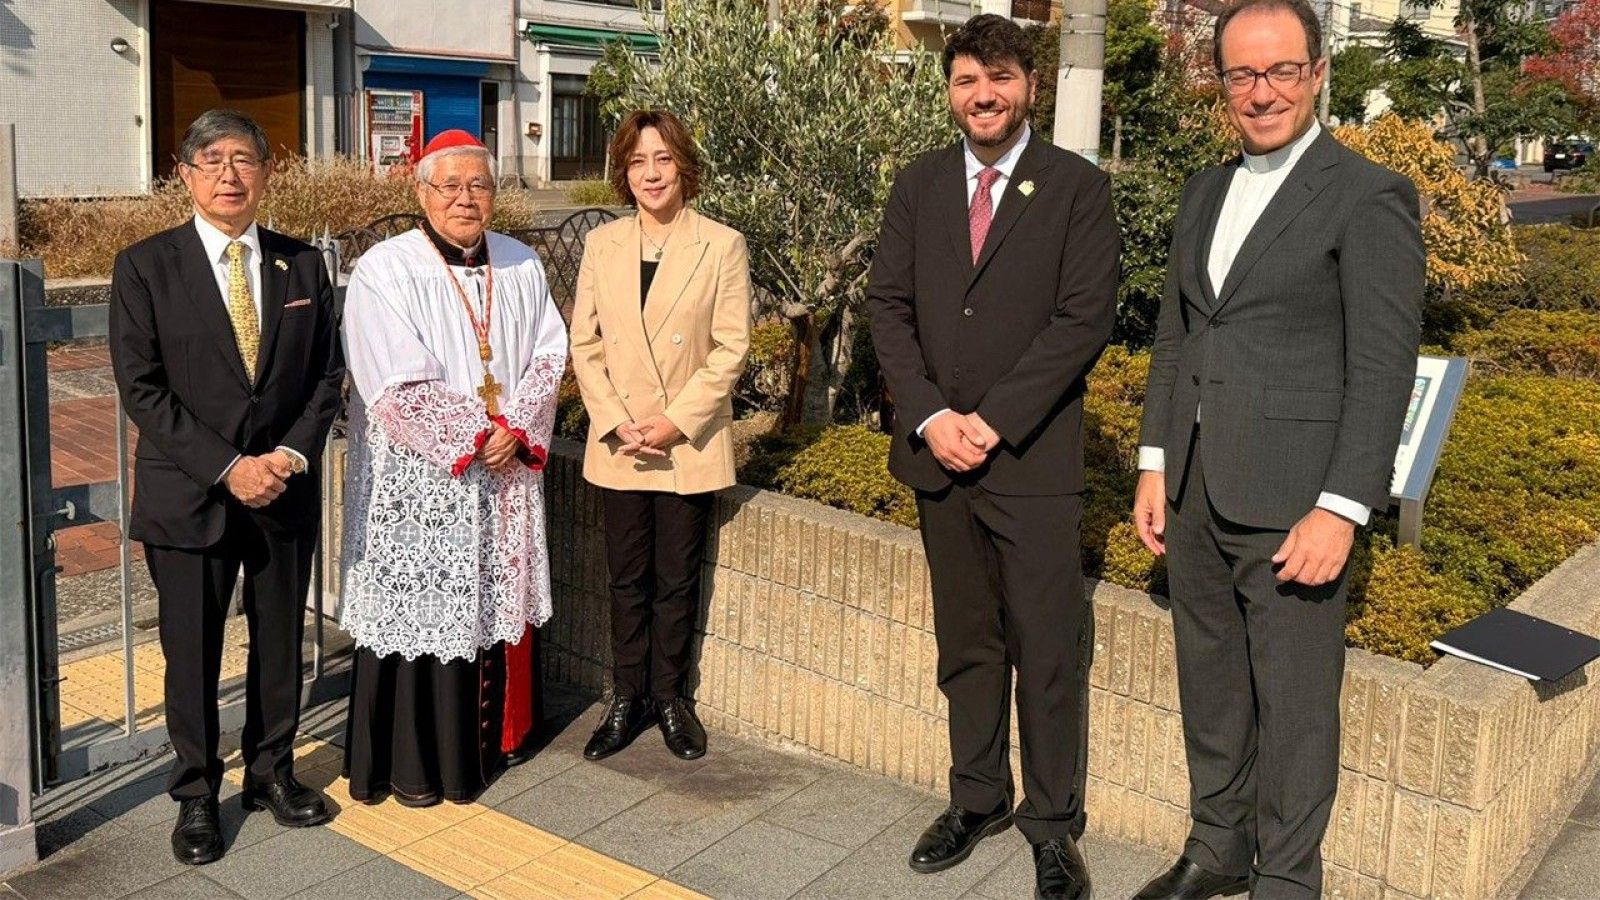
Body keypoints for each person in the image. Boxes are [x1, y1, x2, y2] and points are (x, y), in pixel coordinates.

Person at [1129, 1, 1424, 896]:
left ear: (1319, 71)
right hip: (1194, 492)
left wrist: (1342, 507)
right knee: (1211, 688)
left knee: (1296, 710)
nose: (1262, 93)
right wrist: (1153, 460)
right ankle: (1217, 850)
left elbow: (1382, 365)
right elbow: (1179, 333)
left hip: (1296, 502)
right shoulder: (1205, 189)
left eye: (1281, 71)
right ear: (1221, 84)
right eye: (1242, 75)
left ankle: (1288, 880)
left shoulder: (1368, 194)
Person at [866, 15, 1119, 900]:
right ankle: (977, 797)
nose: (984, 94)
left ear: (1030, 87)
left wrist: (993, 419)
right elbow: (887, 308)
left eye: (1000, 77)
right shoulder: (919, 185)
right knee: (967, 643)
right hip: (939, 459)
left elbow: (1082, 320)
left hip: (1032, 463)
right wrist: (932, 415)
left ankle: (1053, 826)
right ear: (949, 91)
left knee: (1047, 648)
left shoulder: (1077, 189)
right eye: (968, 79)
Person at [109, 109, 345, 864]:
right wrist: (228, 467)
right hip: (190, 496)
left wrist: (288, 458)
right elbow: (142, 389)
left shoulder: (302, 265)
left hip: (283, 490)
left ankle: (272, 772)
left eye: (243, 159)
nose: (228, 174)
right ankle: (196, 794)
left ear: (268, 171)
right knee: (192, 654)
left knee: (278, 643)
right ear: (184, 175)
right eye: (210, 160)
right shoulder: (145, 265)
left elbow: (328, 377)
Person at [339, 130, 567, 806]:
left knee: (491, 604)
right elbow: (389, 381)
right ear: (421, 192)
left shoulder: (522, 263)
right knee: (424, 610)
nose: (467, 198)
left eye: (481, 185)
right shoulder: (385, 268)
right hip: (425, 478)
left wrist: (516, 428)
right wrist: (473, 436)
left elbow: (550, 354)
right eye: (451, 185)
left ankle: (493, 745)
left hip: (503, 473)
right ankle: (419, 766)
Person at [568, 109, 751, 763]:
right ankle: (627, 698)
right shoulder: (602, 244)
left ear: (684, 167)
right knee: (625, 578)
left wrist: (675, 421)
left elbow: (731, 348)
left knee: (676, 579)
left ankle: (671, 698)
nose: (651, 172)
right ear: (624, 170)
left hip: (685, 440)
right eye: (639, 160)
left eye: (663, 159)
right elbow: (584, 342)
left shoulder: (721, 244)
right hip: (620, 439)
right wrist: (617, 419)